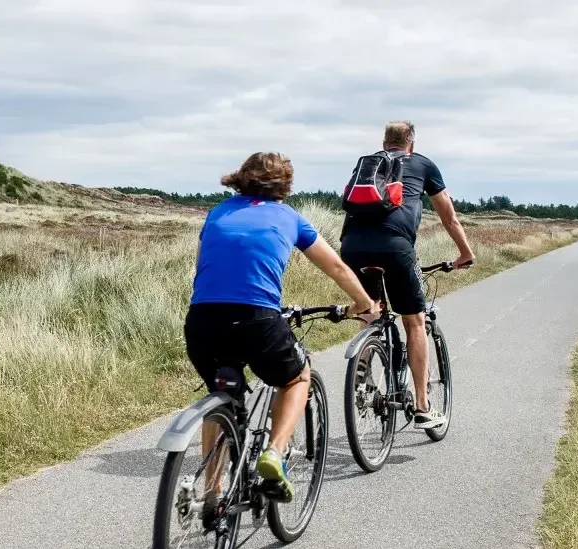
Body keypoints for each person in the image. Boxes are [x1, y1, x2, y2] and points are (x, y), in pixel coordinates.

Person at [185, 151, 375, 505]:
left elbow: (201, 269)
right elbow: (336, 266)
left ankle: (212, 492)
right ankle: (274, 452)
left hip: (202, 320)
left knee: (219, 395)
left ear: (241, 178)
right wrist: (364, 304)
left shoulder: (217, 213)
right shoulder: (290, 217)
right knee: (296, 377)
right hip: (257, 319)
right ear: (285, 187)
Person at [339, 120, 475, 429]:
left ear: (384, 142)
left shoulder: (367, 164)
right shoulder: (423, 164)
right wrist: (465, 254)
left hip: (352, 247)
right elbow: (449, 218)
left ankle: (366, 366)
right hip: (396, 248)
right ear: (411, 144)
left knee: (371, 310)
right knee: (414, 321)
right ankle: (424, 406)